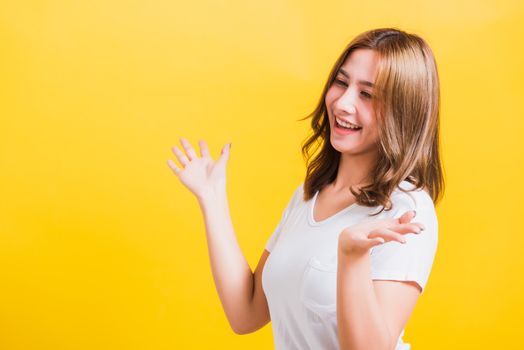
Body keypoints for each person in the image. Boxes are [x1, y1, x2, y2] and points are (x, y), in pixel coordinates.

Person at [167, 27, 444, 350]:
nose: (342, 103)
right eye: (341, 83)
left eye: (367, 94)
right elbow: (247, 312)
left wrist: (351, 257)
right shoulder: (308, 195)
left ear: (403, 111)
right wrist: (211, 199)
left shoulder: (406, 210)